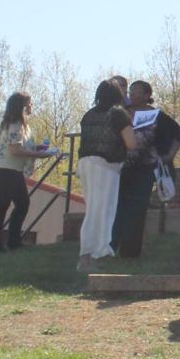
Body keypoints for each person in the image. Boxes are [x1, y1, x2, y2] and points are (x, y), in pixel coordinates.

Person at [111, 80, 180, 258]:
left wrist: (169, 155)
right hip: (122, 168)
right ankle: (111, 247)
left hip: (146, 168)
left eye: (136, 91)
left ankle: (130, 252)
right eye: (131, 91)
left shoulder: (156, 115)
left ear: (147, 95)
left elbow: (178, 133)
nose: (132, 94)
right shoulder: (122, 114)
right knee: (118, 207)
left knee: (137, 209)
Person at [77, 79, 135, 272]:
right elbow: (131, 143)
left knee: (94, 209)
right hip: (105, 166)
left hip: (85, 163)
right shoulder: (118, 113)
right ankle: (91, 255)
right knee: (101, 212)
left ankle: (93, 253)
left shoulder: (89, 115)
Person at [0, 92, 51, 253]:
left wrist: (37, 148)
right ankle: (5, 242)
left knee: (7, 204)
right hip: (5, 169)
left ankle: (3, 242)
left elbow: (21, 146)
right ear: (22, 106)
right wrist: (39, 155)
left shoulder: (20, 124)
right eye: (30, 103)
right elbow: (15, 150)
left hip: (7, 168)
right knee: (17, 204)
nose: (31, 106)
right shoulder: (15, 124)